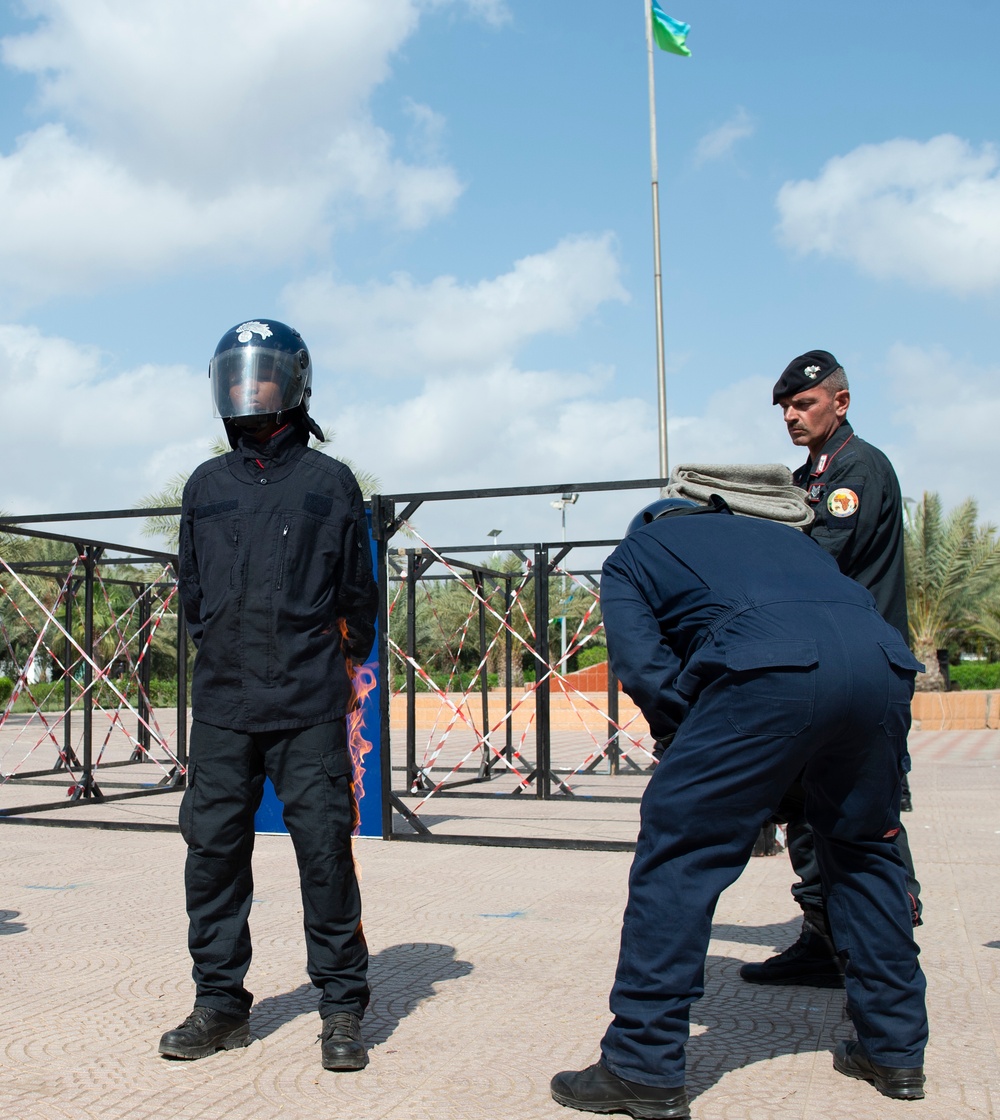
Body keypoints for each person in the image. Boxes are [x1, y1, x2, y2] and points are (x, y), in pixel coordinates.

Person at [550, 497, 927, 1119]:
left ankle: (642, 1067)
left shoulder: (634, 555)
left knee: (680, 855)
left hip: (767, 672)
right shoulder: (786, 540)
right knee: (864, 850)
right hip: (883, 667)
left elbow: (644, 667)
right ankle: (894, 1051)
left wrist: (694, 739)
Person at [159, 320, 378, 1071]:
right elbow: (191, 593)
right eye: (238, 375)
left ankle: (343, 1008)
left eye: (264, 375)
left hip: (308, 704)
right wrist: (219, 646)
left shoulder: (331, 482)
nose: (249, 389)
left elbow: (358, 595)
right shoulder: (204, 486)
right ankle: (220, 1005)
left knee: (324, 854)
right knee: (212, 856)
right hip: (222, 706)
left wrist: (335, 666)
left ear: (295, 383)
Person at [739, 349, 920, 990]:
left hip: (862, 664)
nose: (792, 414)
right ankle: (825, 940)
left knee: (865, 809)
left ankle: (887, 953)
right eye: (785, 406)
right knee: (812, 810)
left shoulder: (855, 468)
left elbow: (815, 559)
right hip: (825, 663)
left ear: (839, 403)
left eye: (804, 403)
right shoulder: (806, 474)